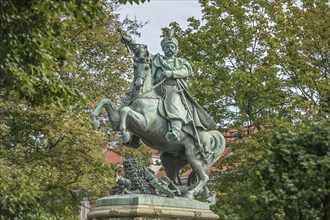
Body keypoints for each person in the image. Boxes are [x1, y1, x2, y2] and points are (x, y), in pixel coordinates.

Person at [151, 30, 216, 145]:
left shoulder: (181, 61)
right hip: (158, 89)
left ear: (176, 49)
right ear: (163, 49)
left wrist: (171, 73)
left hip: (174, 89)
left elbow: (185, 72)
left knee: (173, 102)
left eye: (172, 47)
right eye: (167, 47)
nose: (169, 49)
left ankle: (175, 131)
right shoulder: (157, 61)